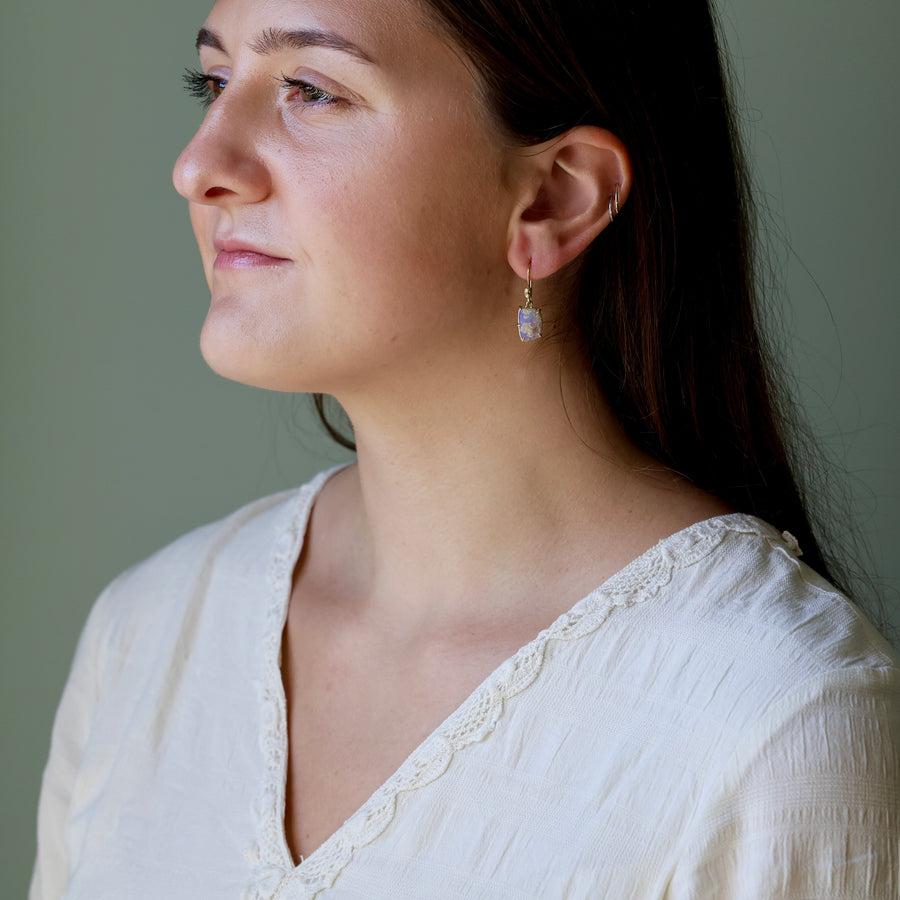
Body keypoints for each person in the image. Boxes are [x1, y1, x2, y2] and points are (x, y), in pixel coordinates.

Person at [30, 0, 900, 897]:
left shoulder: (776, 721)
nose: (198, 165)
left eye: (312, 91)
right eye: (213, 82)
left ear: (555, 198)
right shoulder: (146, 637)